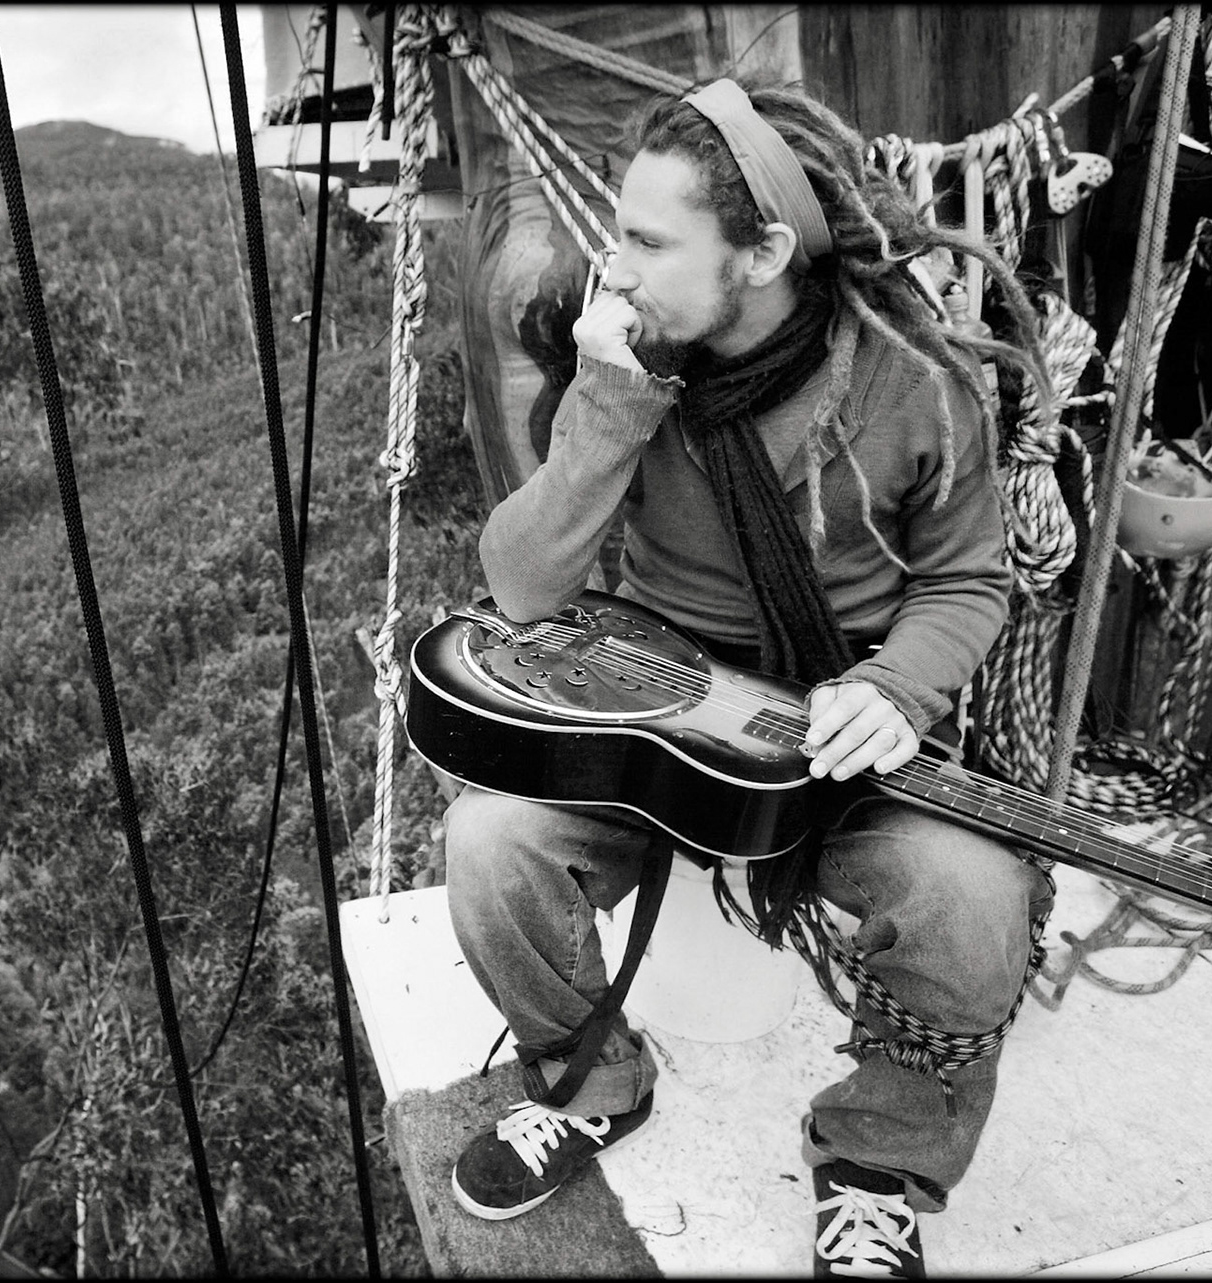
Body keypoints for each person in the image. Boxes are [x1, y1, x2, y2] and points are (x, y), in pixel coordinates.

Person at [443, 77, 1059, 1279]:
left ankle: (874, 1165)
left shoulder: (912, 381)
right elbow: (520, 583)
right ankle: (588, 1080)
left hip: (839, 720)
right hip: (656, 717)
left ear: (764, 252)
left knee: (975, 903)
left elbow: (969, 578)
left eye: (648, 241)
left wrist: (896, 688)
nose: (612, 268)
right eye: (618, 232)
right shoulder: (627, 360)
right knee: (489, 845)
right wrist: (609, 408)